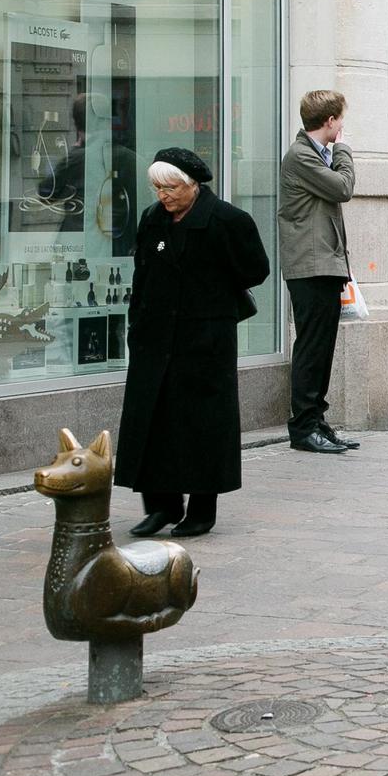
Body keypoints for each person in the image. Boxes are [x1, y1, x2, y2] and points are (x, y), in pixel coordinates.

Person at [118, 149, 270, 539]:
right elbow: (142, 274)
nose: (164, 196)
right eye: (158, 188)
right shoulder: (153, 219)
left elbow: (257, 269)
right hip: (155, 335)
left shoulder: (227, 220)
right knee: (152, 420)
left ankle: (202, 509)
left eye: (171, 188)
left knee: (203, 423)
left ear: (193, 184)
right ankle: (161, 506)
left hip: (204, 337)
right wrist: (136, 324)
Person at [277, 89, 359, 455]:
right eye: (340, 118)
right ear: (329, 122)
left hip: (323, 264)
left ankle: (316, 422)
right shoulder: (300, 156)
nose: (343, 125)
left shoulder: (314, 154)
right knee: (312, 348)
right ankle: (304, 427)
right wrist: (344, 151)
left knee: (321, 347)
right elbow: (343, 188)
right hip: (310, 267)